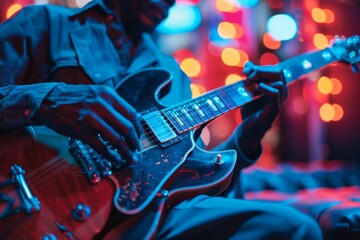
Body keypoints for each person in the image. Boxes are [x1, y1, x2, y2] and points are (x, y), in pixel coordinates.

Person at [0, 0, 323, 239]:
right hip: (32, 197)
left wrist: (247, 136)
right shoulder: (44, 23)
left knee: (294, 228)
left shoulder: (174, 76)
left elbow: (192, 188)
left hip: (146, 220)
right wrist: (46, 101)